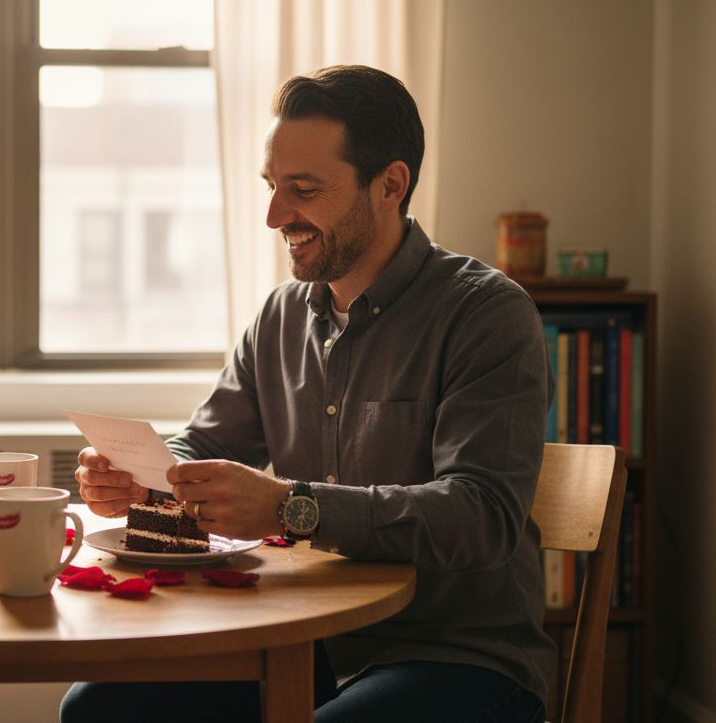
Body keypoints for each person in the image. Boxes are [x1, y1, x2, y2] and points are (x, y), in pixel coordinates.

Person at [66, 65, 553, 722]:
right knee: (98, 708)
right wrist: (144, 474)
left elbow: (480, 514)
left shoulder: (485, 314)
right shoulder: (281, 317)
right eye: (271, 187)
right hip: (306, 641)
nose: (273, 216)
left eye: (302, 189)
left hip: (458, 659)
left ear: (390, 184)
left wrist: (291, 507)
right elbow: (205, 443)